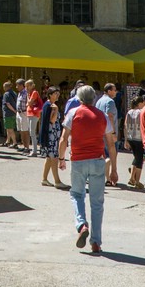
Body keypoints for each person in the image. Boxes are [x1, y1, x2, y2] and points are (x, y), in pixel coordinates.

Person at [57, 85, 117, 254]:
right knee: (97, 203)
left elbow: (63, 139)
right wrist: (113, 169)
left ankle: (81, 224)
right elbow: (110, 144)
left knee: (76, 194)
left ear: (79, 98)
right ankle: (96, 241)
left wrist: (61, 159)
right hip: (98, 161)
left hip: (78, 160)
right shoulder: (102, 116)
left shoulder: (73, 113)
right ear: (94, 98)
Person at [38, 87, 68, 189]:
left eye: (58, 93)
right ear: (50, 94)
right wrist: (56, 110)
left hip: (52, 135)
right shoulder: (50, 105)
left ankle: (44, 179)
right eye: (55, 93)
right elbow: (52, 120)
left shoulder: (49, 105)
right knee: (54, 158)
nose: (57, 95)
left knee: (49, 158)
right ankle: (57, 181)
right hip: (51, 135)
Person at [95, 83, 120, 185]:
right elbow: (110, 116)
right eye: (114, 90)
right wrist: (113, 132)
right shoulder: (110, 102)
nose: (116, 92)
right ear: (109, 91)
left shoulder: (99, 101)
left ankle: (107, 178)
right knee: (111, 155)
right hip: (108, 133)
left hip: (100, 132)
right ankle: (108, 176)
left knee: (104, 155)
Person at [124, 93, 145, 189]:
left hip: (131, 137)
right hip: (139, 138)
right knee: (140, 159)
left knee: (136, 158)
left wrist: (126, 140)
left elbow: (125, 125)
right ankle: (137, 181)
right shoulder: (142, 112)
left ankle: (132, 178)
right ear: (140, 103)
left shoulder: (129, 112)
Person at [26, 83, 44, 156]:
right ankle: (34, 150)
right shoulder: (31, 93)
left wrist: (27, 96)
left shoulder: (34, 92)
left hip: (34, 114)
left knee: (32, 133)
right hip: (30, 114)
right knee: (31, 133)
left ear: (32, 85)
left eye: (27, 86)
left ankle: (34, 151)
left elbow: (29, 103)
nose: (26, 88)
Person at [15, 80, 30, 152]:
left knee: (25, 131)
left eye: (17, 85)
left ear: (22, 85)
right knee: (21, 130)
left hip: (24, 113)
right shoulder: (19, 93)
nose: (16, 87)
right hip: (19, 113)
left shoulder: (26, 93)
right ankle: (24, 146)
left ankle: (27, 147)